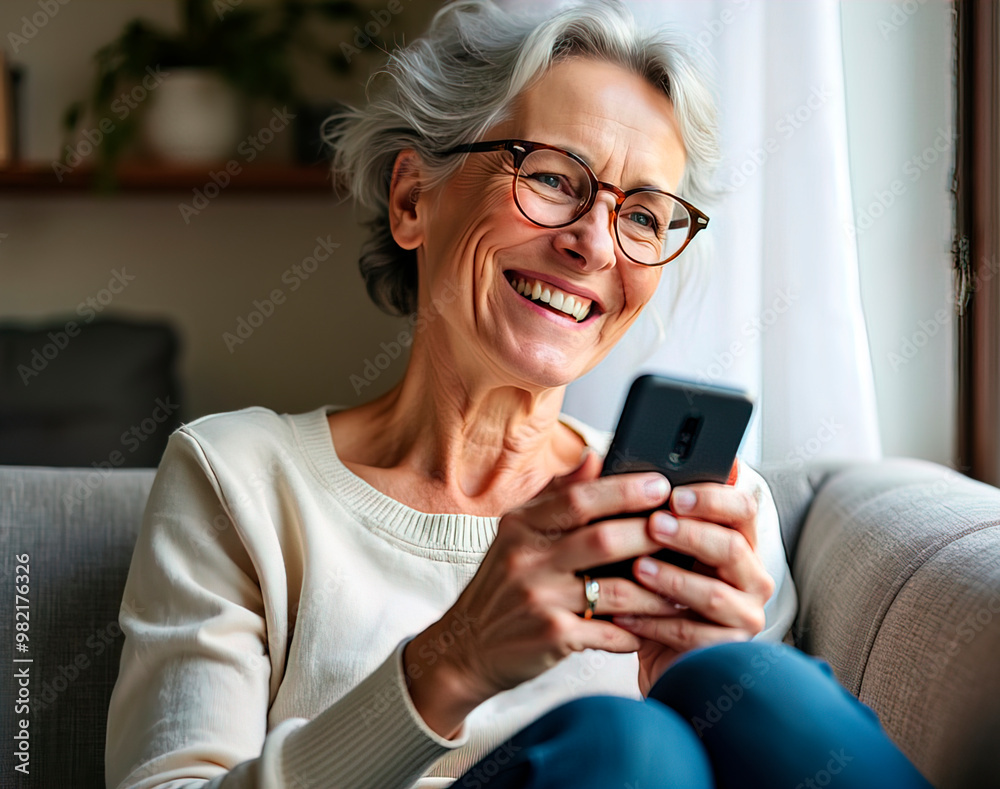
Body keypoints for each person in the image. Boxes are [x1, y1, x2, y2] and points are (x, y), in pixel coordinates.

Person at [104, 2, 933, 787]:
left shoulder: (715, 515)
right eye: (552, 176)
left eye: (643, 216)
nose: (591, 245)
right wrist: (450, 662)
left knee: (754, 685)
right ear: (410, 199)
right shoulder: (238, 481)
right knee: (627, 741)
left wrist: (710, 678)